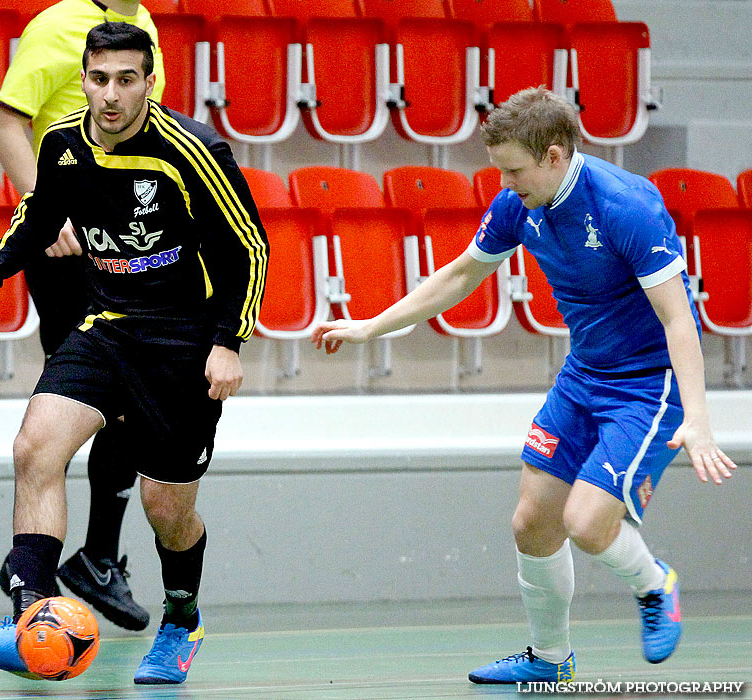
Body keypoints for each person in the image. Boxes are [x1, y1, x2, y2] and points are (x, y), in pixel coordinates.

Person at [312, 87, 737, 684]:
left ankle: (653, 584)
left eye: (514, 170)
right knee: (531, 523)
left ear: (556, 155)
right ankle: (549, 658)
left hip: (648, 385)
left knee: (587, 525)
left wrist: (697, 417)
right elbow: (461, 274)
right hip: (583, 374)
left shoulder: (626, 206)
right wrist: (371, 326)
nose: (505, 184)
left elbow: (677, 318)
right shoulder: (520, 201)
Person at [0, 22, 268, 685]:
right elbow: (38, 217)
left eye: (126, 79)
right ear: (83, 79)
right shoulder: (62, 143)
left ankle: (181, 618)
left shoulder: (192, 149)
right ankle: (30, 615)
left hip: (181, 339)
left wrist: (228, 342)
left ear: (149, 81)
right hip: (105, 324)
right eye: (99, 79)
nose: (110, 94)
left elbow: (248, 248)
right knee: (36, 447)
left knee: (166, 509)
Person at [0, 0, 166, 632]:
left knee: (130, 398)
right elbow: (8, 123)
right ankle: (40, 578)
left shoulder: (141, 29)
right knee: (84, 397)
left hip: (121, 245)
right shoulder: (58, 23)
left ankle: (92, 555)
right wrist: (48, 209)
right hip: (66, 248)